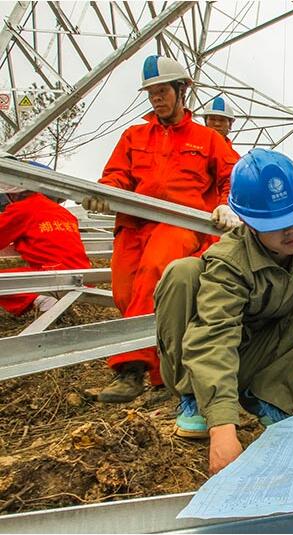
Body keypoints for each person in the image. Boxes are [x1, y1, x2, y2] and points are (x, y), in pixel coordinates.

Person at [154, 148, 293, 475]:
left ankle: (267, 395)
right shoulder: (229, 262)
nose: (292, 231)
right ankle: (194, 397)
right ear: (249, 223)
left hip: (252, 356)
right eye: (277, 224)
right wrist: (222, 426)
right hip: (212, 360)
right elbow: (214, 335)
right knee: (183, 273)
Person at [81, 55, 241, 403]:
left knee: (156, 272)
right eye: (152, 93)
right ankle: (160, 375)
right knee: (126, 291)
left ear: (181, 90)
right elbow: (117, 175)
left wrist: (225, 204)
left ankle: (131, 369)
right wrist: (103, 193)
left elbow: (233, 177)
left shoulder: (207, 139)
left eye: (163, 91)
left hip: (179, 224)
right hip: (135, 224)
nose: (157, 98)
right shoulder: (134, 136)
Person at [0, 164, 91, 316]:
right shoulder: (61, 211)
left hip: (53, 275)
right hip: (84, 275)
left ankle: (42, 300)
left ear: (11, 195)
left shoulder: (21, 209)